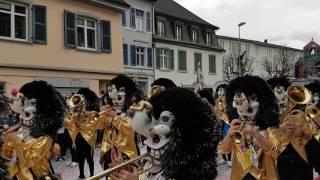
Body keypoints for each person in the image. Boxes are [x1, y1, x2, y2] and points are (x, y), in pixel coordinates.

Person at [220, 75, 280, 180]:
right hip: (240, 175)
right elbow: (224, 150)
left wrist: (255, 134)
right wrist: (229, 134)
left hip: (264, 175)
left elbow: (274, 152)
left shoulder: (268, 127)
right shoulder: (237, 127)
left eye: (252, 98)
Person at [2, 81, 64, 179]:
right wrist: (6, 144)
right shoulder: (19, 128)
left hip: (36, 176)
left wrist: (17, 142)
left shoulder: (45, 138)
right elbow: (7, 156)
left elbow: (30, 162)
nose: (22, 115)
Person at [268, 77, 314, 180]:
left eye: (282, 92)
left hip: (301, 157)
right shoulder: (270, 115)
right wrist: (279, 128)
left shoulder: (300, 111)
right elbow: (268, 136)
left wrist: (301, 133)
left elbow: (310, 135)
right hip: (281, 159)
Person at [100, 75, 139, 174]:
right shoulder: (111, 113)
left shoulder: (133, 111)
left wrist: (115, 117)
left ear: (128, 97)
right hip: (109, 153)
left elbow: (129, 129)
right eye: (112, 99)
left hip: (126, 154)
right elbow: (99, 126)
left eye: (119, 98)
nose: (115, 102)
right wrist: (96, 115)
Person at [64, 88, 102, 179]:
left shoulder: (89, 114)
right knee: (80, 158)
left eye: (80, 104)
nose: (77, 107)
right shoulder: (74, 115)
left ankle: (92, 175)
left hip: (87, 140)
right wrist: (66, 114)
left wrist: (80, 125)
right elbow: (67, 124)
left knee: (89, 159)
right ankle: (81, 174)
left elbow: (93, 126)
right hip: (78, 139)